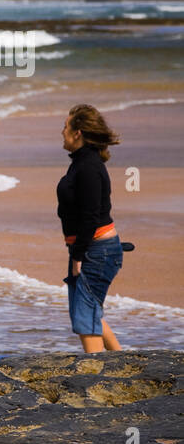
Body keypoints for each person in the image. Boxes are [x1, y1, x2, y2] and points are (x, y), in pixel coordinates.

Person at [58, 104, 123, 353]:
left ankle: (96, 379)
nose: (62, 131)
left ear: (78, 132)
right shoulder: (82, 162)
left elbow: (90, 216)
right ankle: (123, 360)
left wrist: (78, 255)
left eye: (65, 126)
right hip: (90, 248)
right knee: (88, 311)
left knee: (85, 319)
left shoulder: (88, 167)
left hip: (95, 250)